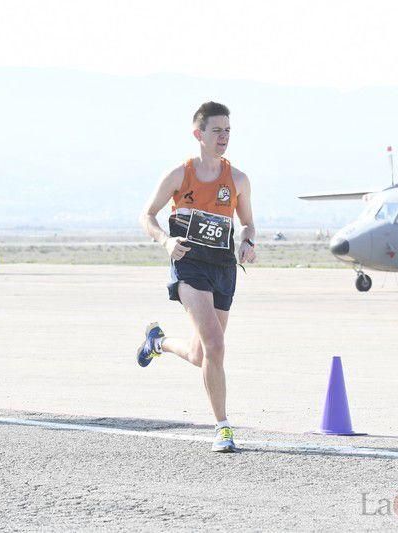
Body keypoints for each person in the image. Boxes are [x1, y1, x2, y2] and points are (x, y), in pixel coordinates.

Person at [138, 102, 256, 452]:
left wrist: (248, 241)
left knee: (202, 354)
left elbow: (248, 222)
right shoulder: (179, 174)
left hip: (223, 268)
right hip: (189, 265)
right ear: (198, 134)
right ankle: (223, 428)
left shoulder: (237, 179)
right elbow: (146, 215)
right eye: (217, 130)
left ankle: (157, 342)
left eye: (228, 131)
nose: (224, 137)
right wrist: (166, 239)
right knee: (216, 346)